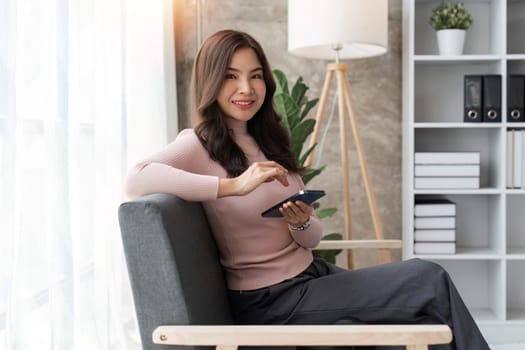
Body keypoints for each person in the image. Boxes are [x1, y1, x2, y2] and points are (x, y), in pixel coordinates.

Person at [123, 29, 490, 350]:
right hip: (272, 300)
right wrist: (231, 186)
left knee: (425, 326)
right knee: (428, 277)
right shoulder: (198, 144)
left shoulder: (266, 140)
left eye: (255, 76)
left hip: (311, 279)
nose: (246, 89)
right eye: (231, 77)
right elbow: (136, 179)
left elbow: (312, 238)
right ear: (210, 82)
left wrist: (299, 222)